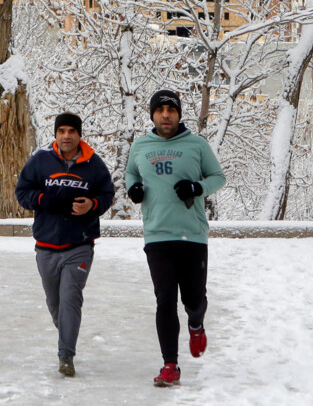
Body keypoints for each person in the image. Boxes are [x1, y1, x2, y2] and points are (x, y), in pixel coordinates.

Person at [124, 89, 225, 387]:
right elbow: (131, 174)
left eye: (171, 110)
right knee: (164, 299)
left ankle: (196, 323)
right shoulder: (141, 146)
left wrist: (196, 188)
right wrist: (134, 189)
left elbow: (218, 177)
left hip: (192, 235)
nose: (165, 115)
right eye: (160, 110)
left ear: (179, 114)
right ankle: (170, 365)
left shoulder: (196, 145)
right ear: (152, 115)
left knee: (193, 299)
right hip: (157, 234)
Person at [15, 112, 115, 378]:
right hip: (46, 245)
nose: (67, 136)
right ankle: (67, 335)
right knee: (55, 303)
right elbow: (22, 193)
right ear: (56, 134)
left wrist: (92, 205)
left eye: (72, 131)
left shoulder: (93, 164)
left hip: (79, 245)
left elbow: (107, 195)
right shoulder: (41, 160)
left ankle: (66, 356)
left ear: (79, 134)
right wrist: (43, 200)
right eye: (62, 131)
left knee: (71, 299)